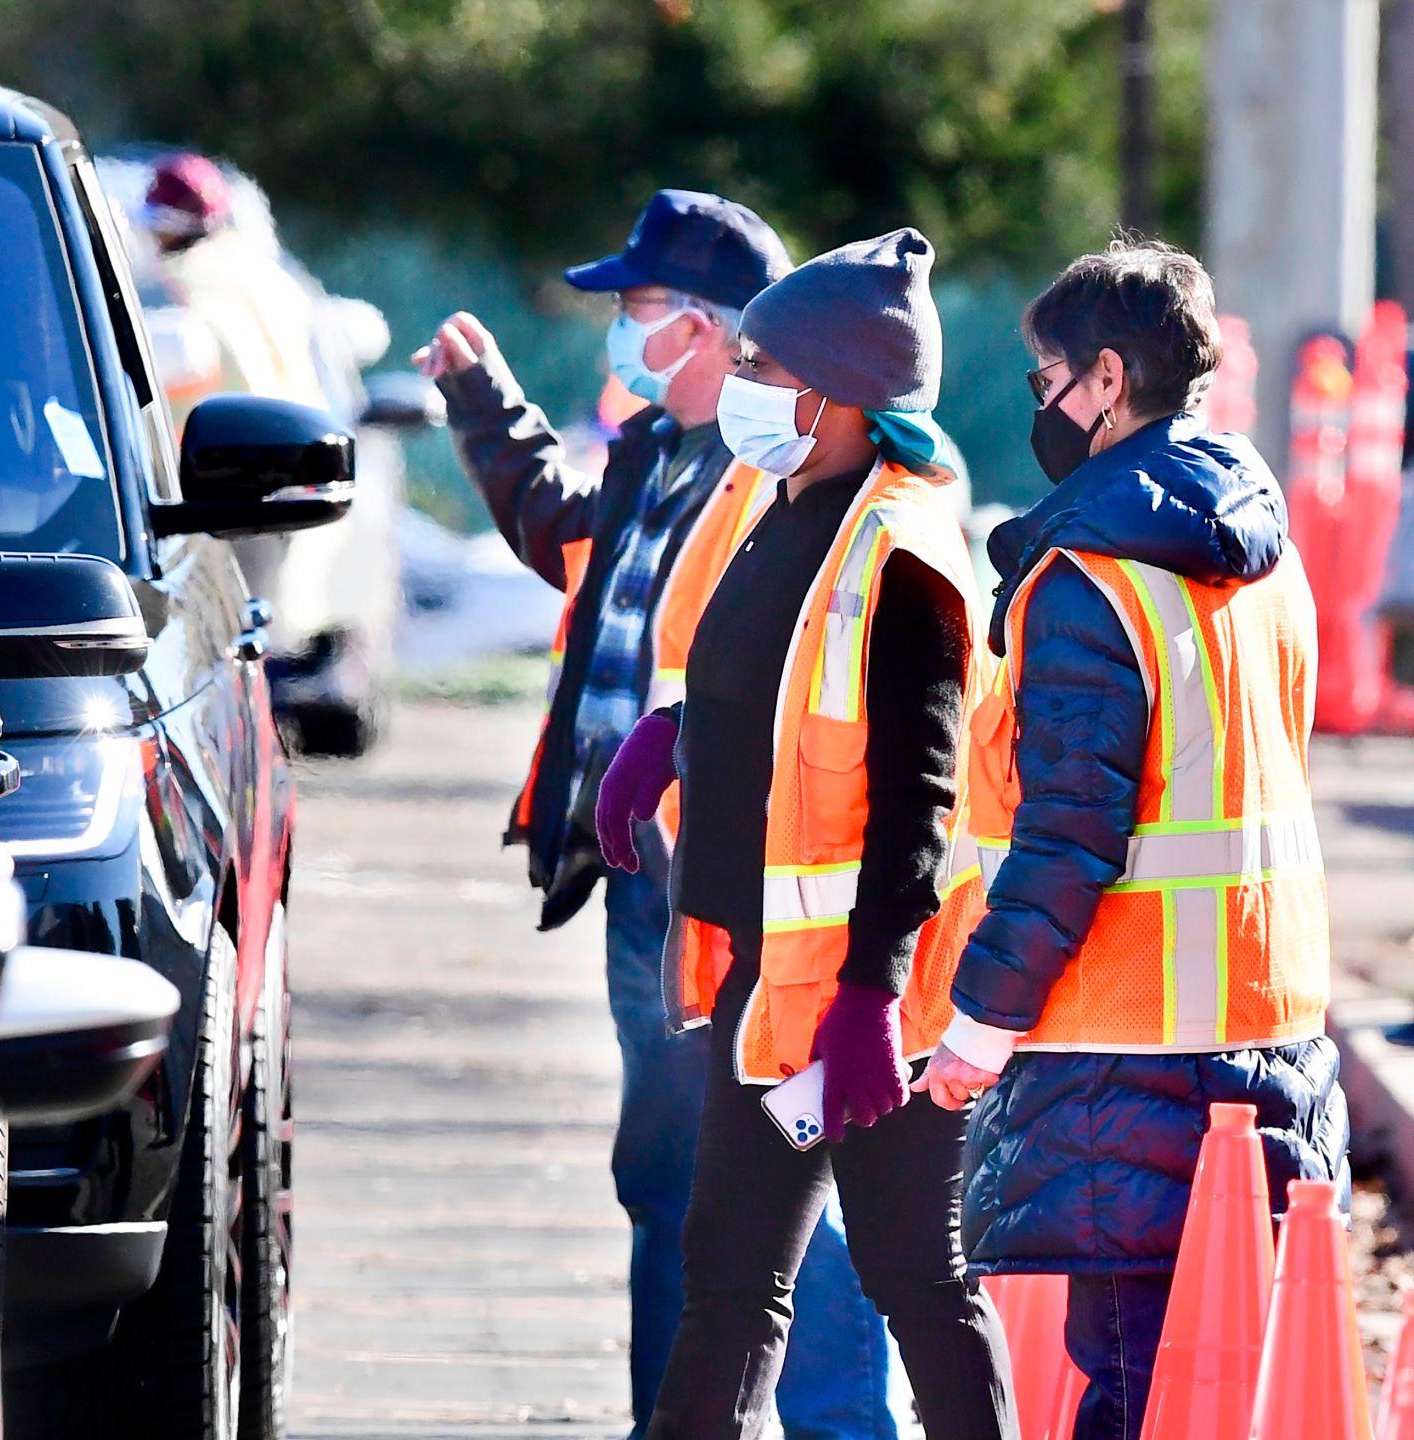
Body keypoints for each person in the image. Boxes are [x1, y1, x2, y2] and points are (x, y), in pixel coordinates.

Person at [415, 189, 902, 1440]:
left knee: (762, 1188)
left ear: (703, 326)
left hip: (746, 886)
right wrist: (489, 418)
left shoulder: (782, 468)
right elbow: (576, 551)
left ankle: (846, 1424)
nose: (617, 337)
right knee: (671, 1181)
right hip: (651, 882)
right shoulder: (655, 451)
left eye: (635, 311)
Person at [918, 239, 1348, 1437]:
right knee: (1203, 1384)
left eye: (1047, 375)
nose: (1040, 403)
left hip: (1123, 1047)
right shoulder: (1266, 562)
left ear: (1107, 380)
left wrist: (976, 1021)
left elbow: (1068, 833)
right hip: (1267, 1029)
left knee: (1125, 1379)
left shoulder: (1087, 581)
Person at [596, 227, 1015, 1438]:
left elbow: (918, 803)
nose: (744, 386)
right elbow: (772, 691)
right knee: (727, 1283)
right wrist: (672, 738)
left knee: (918, 1290)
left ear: (833, 395)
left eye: (764, 367)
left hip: (857, 1009)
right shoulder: (793, 508)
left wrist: (873, 1000)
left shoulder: (904, 556)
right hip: (778, 992)